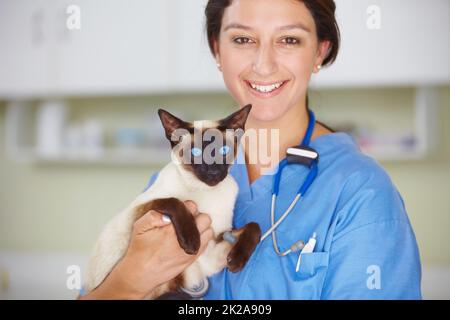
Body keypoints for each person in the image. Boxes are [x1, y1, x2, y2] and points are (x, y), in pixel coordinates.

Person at [80, 0, 421, 299]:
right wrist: (127, 282)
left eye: (289, 39)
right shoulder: (179, 178)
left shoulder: (360, 192)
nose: (264, 64)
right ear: (217, 50)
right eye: (243, 39)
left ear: (320, 51)